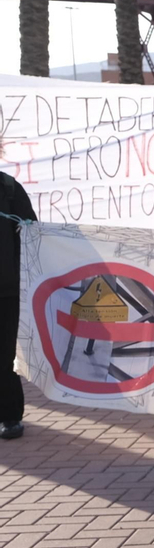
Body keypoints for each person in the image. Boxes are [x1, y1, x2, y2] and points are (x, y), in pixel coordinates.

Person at [0, 159, 35, 441]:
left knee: (3, 355)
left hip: (7, 290)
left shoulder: (9, 189)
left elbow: (33, 235)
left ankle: (10, 415)